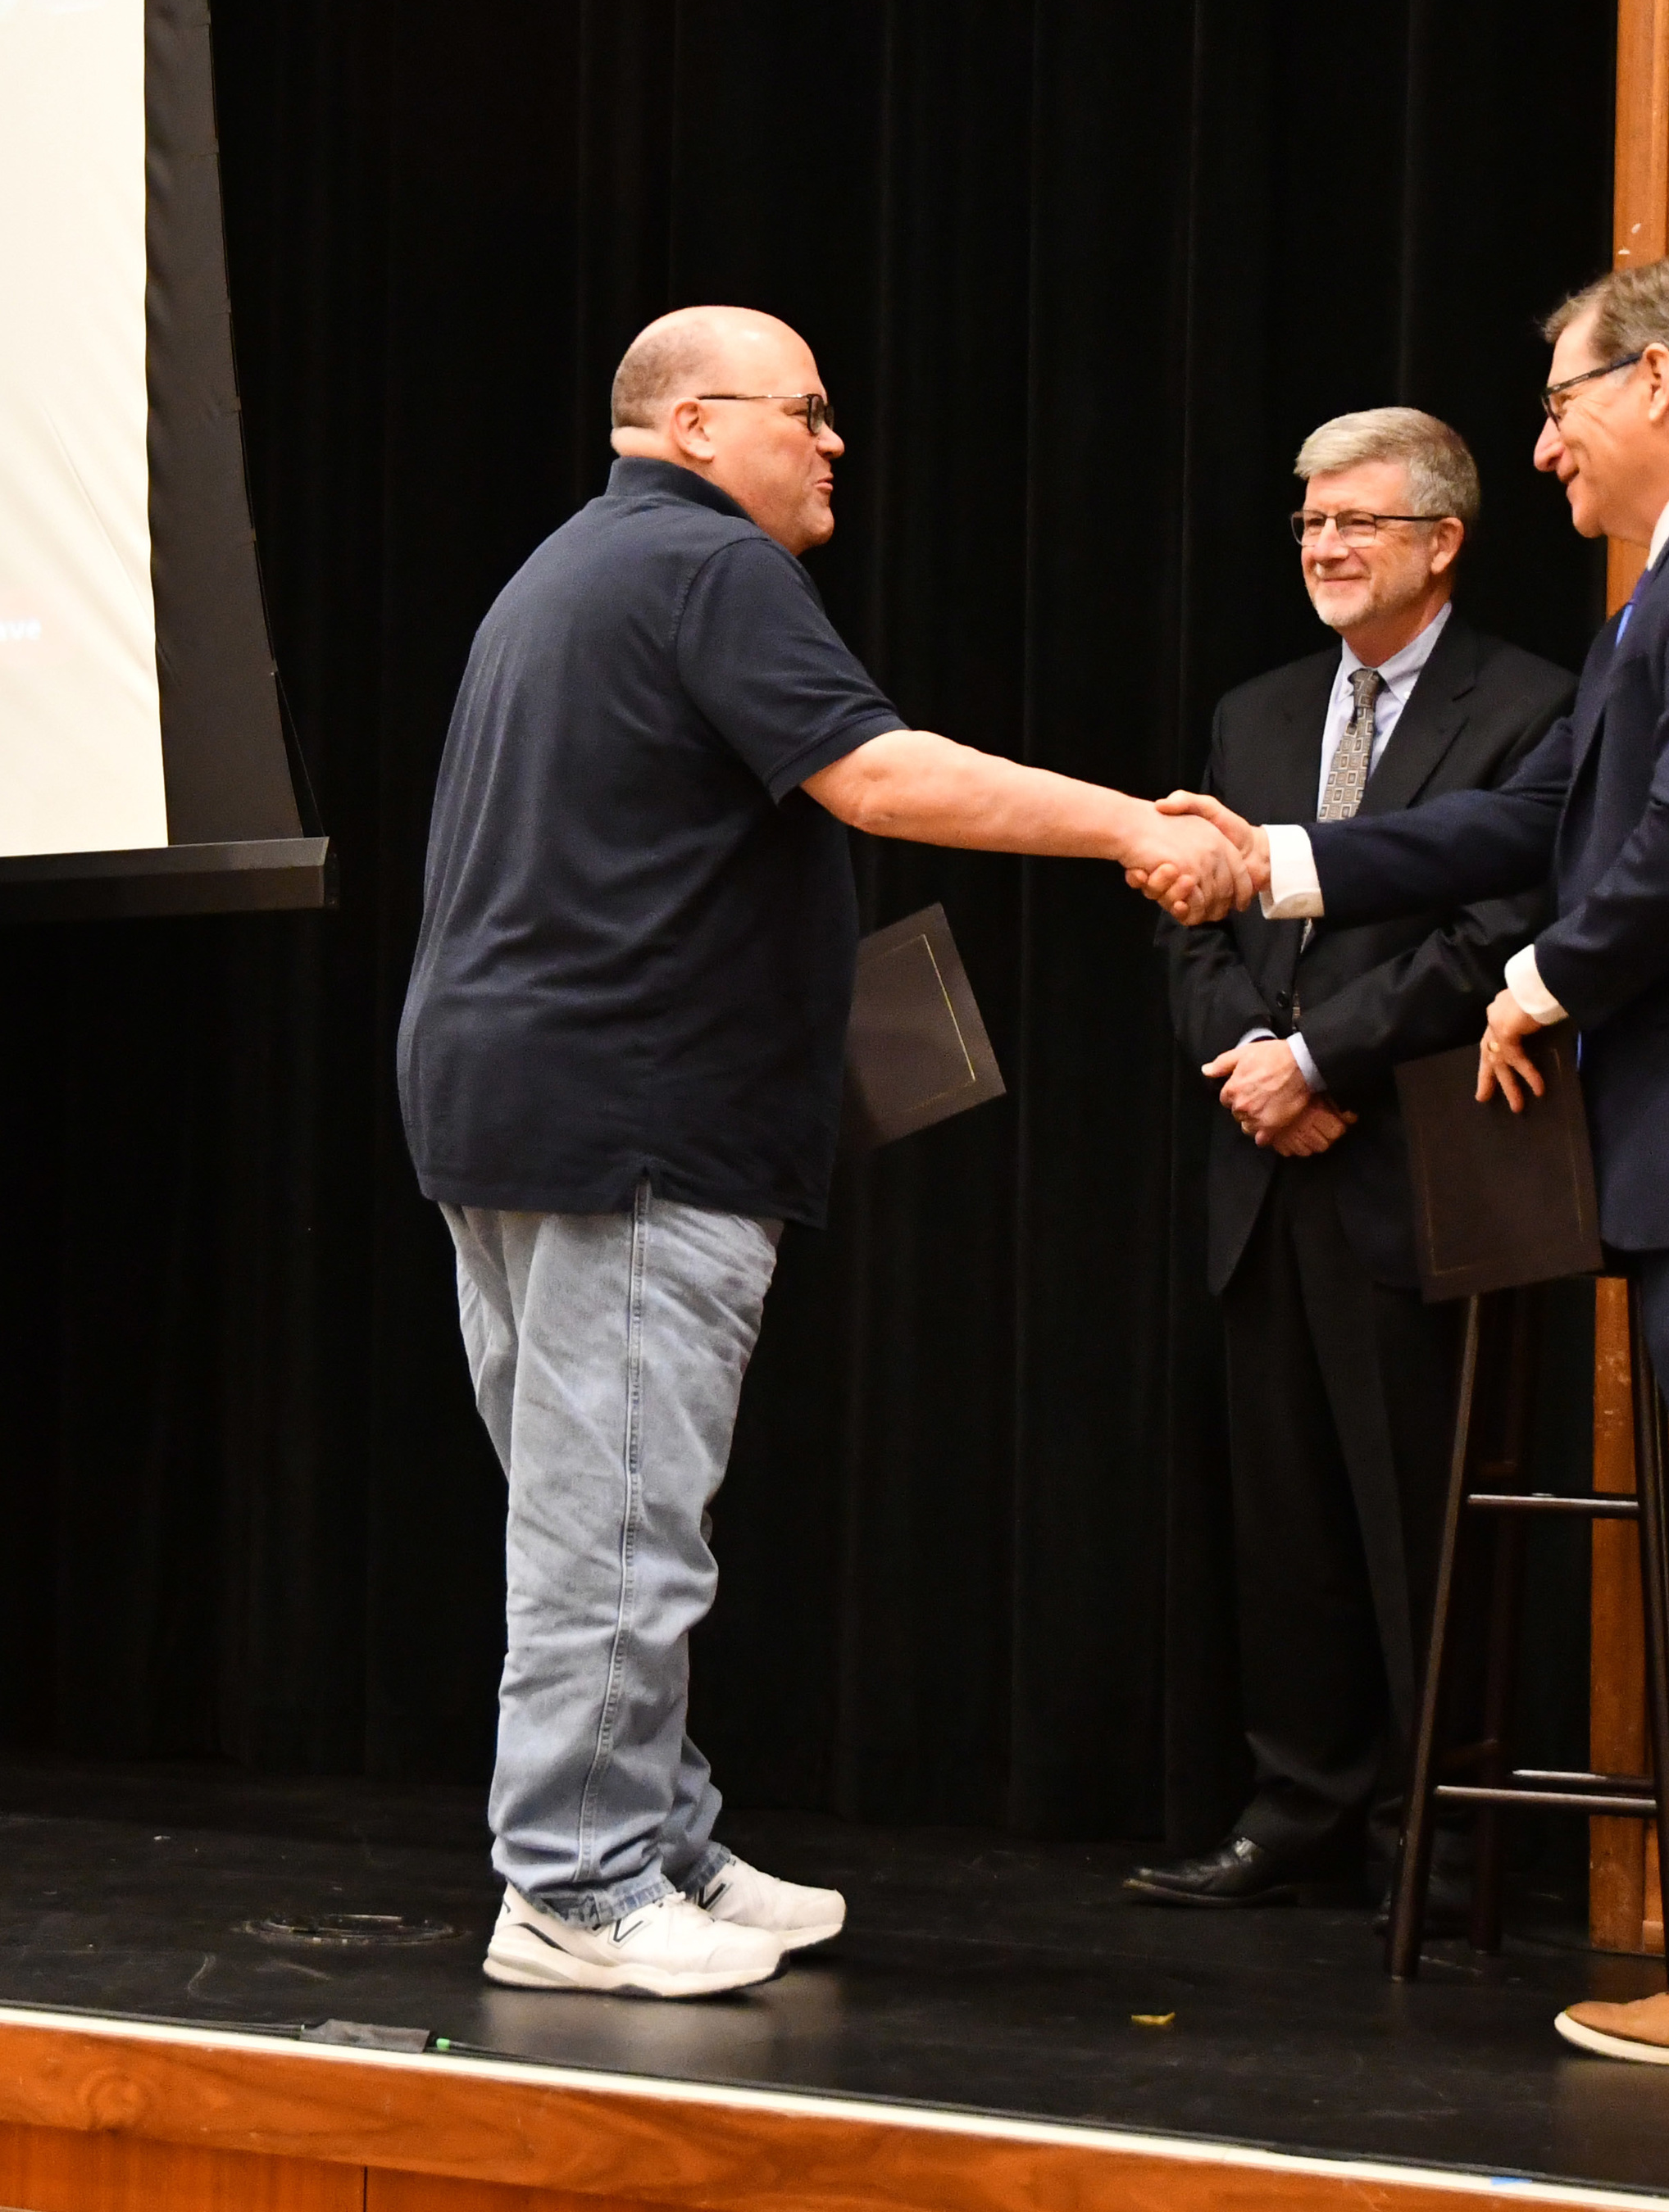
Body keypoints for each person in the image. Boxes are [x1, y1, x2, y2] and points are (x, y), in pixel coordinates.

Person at [1148, 257, 1669, 2077]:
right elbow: (1542, 818)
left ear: (1659, 380)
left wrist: (1536, 981)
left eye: (1558, 406)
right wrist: (1279, 864)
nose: (1541, 451)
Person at [398, 306, 1249, 2001]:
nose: (834, 442)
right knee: (617, 1528)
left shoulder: (568, 569)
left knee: (592, 1507)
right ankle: (571, 1884)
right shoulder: (708, 566)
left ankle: (657, 1838)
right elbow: (878, 778)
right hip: (636, 1116)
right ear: (697, 426)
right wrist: (1129, 826)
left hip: (510, 1100)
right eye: (809, 412)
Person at [1127, 410, 1572, 1917]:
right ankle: (1295, 1811)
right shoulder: (1255, 711)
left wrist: (1322, 1063)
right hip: (1266, 1164)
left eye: (1356, 522)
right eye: (1311, 521)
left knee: (1415, 1520)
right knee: (1288, 1519)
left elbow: (1492, 927)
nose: (1324, 546)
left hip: (1422, 1167)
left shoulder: (1532, 707)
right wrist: (1255, 1067)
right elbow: (1191, 919)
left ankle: (1430, 1839)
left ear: (1442, 542)